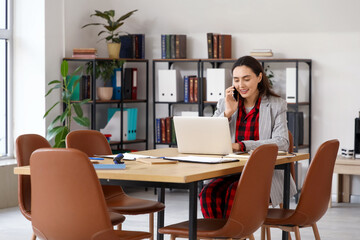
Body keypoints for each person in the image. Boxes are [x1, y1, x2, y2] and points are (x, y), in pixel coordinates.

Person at [199, 55, 296, 219]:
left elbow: (282, 142)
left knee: (236, 193)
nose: (240, 85)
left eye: (246, 79)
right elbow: (210, 137)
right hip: (229, 170)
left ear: (259, 77)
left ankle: (234, 235)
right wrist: (227, 113)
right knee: (209, 193)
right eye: (236, 80)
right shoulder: (225, 103)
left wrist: (241, 146)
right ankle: (223, 237)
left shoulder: (276, 104)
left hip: (262, 173)